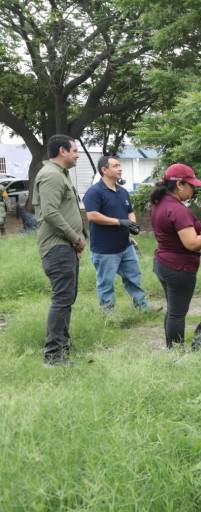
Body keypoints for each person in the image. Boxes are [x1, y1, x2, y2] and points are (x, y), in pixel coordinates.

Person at [150, 164, 201, 349]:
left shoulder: (160, 203)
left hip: (163, 263)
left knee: (173, 310)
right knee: (177, 314)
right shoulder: (177, 210)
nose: (193, 190)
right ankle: (176, 352)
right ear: (179, 184)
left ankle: (171, 348)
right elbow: (192, 243)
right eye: (191, 186)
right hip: (178, 268)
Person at [32, 135, 87, 366]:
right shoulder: (51, 175)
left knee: (67, 298)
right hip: (58, 247)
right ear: (62, 151)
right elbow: (50, 213)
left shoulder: (60, 174)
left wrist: (79, 239)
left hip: (66, 247)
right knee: (62, 299)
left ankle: (63, 347)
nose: (77, 155)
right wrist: (75, 237)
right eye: (74, 150)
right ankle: (53, 356)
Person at [83, 156, 148, 313]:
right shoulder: (94, 192)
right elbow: (92, 215)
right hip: (104, 249)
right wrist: (119, 222)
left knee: (134, 278)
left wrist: (132, 224)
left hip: (125, 245)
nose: (120, 168)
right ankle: (109, 316)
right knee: (106, 283)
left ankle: (142, 309)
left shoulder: (122, 191)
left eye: (119, 165)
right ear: (104, 170)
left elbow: (129, 211)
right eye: (115, 166)